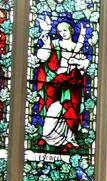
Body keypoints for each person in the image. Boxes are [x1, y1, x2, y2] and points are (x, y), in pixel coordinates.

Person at [34, 19, 90, 149]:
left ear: (70, 30)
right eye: (60, 31)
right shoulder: (55, 44)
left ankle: (70, 137)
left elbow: (85, 64)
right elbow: (42, 57)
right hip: (57, 80)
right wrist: (47, 44)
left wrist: (76, 61)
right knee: (53, 107)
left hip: (72, 82)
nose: (63, 33)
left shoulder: (77, 47)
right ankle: (47, 136)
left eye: (65, 30)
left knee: (70, 108)